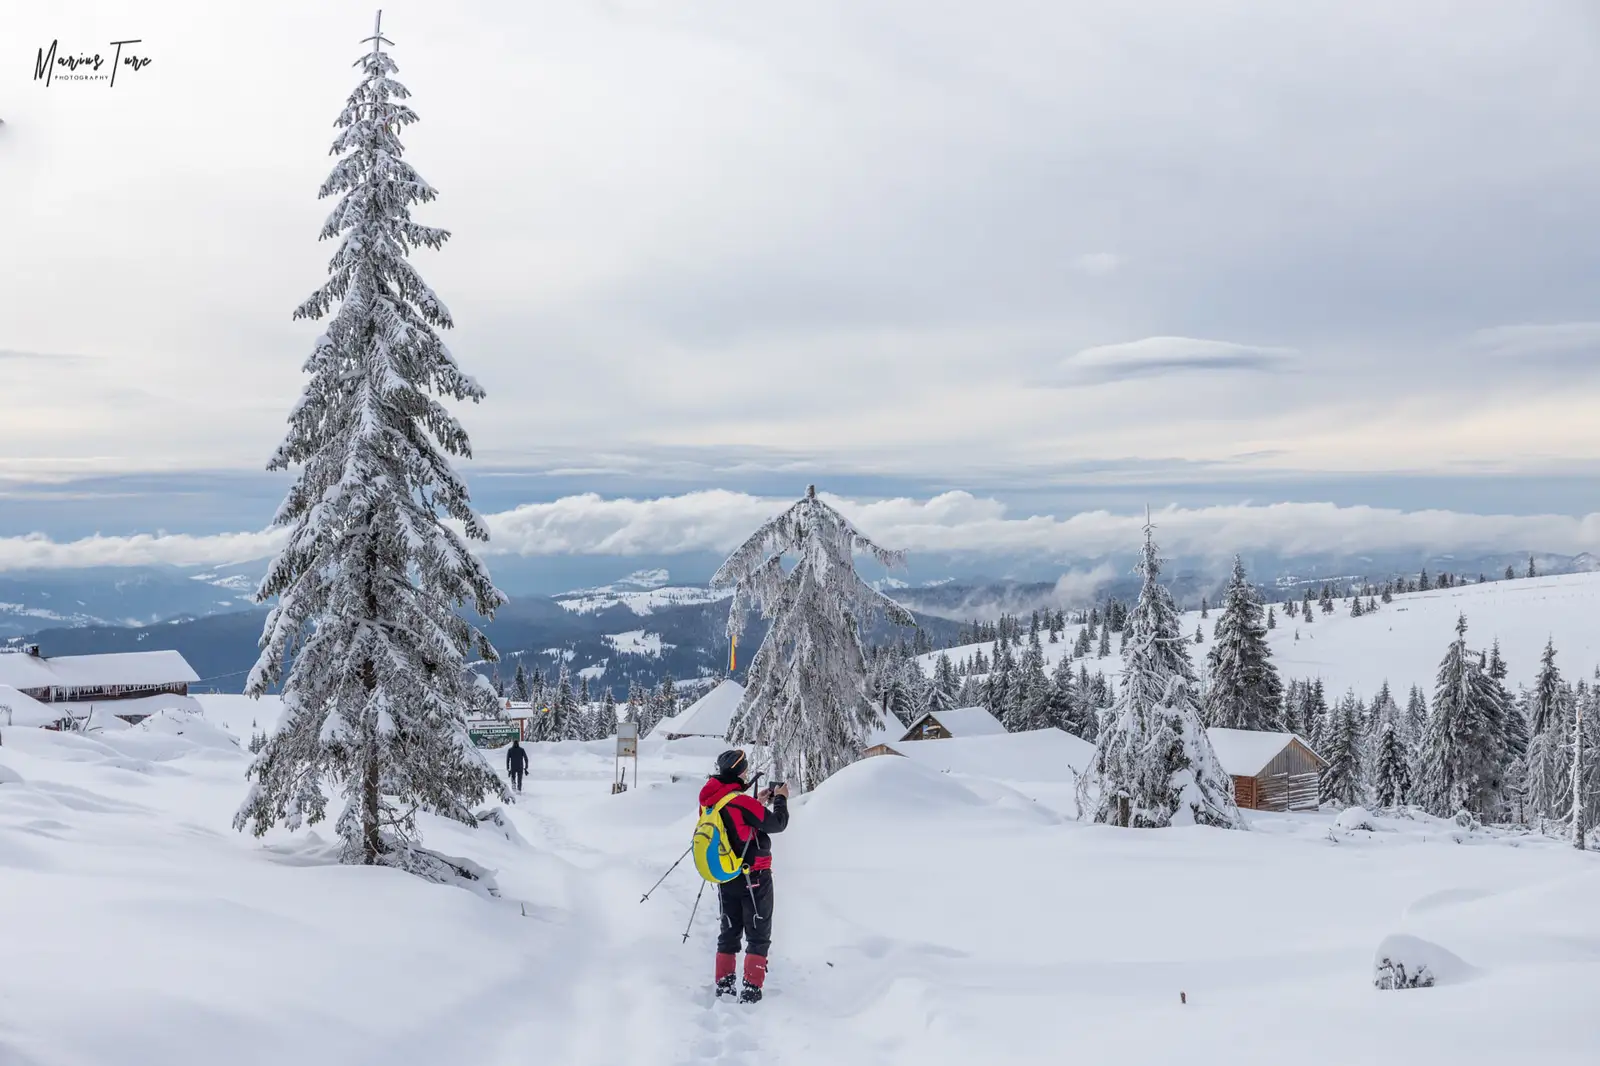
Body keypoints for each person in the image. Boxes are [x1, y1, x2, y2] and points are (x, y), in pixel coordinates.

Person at [699, 749, 789, 1003]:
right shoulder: (741, 802)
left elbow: (733, 824)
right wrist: (780, 799)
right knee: (758, 935)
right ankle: (751, 990)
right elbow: (778, 824)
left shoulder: (710, 801)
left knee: (729, 932)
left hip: (727, 876)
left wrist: (757, 803)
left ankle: (724, 986)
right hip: (755, 876)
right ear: (741, 771)